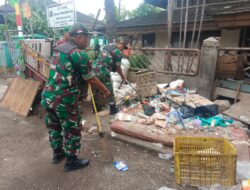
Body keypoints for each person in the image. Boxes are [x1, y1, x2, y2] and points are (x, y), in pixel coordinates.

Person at [41, 23, 111, 172]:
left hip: (48, 95)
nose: (88, 41)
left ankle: (58, 154)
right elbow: (90, 78)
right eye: (87, 38)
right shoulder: (78, 54)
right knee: (71, 129)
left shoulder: (58, 48)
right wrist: (105, 90)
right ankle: (71, 161)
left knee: (54, 127)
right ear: (80, 38)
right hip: (64, 99)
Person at [92, 37, 127, 115]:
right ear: (120, 43)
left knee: (97, 88)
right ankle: (113, 109)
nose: (123, 49)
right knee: (109, 89)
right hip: (103, 70)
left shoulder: (107, 46)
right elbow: (118, 67)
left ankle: (96, 109)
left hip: (94, 68)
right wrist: (122, 76)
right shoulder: (117, 52)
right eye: (123, 46)